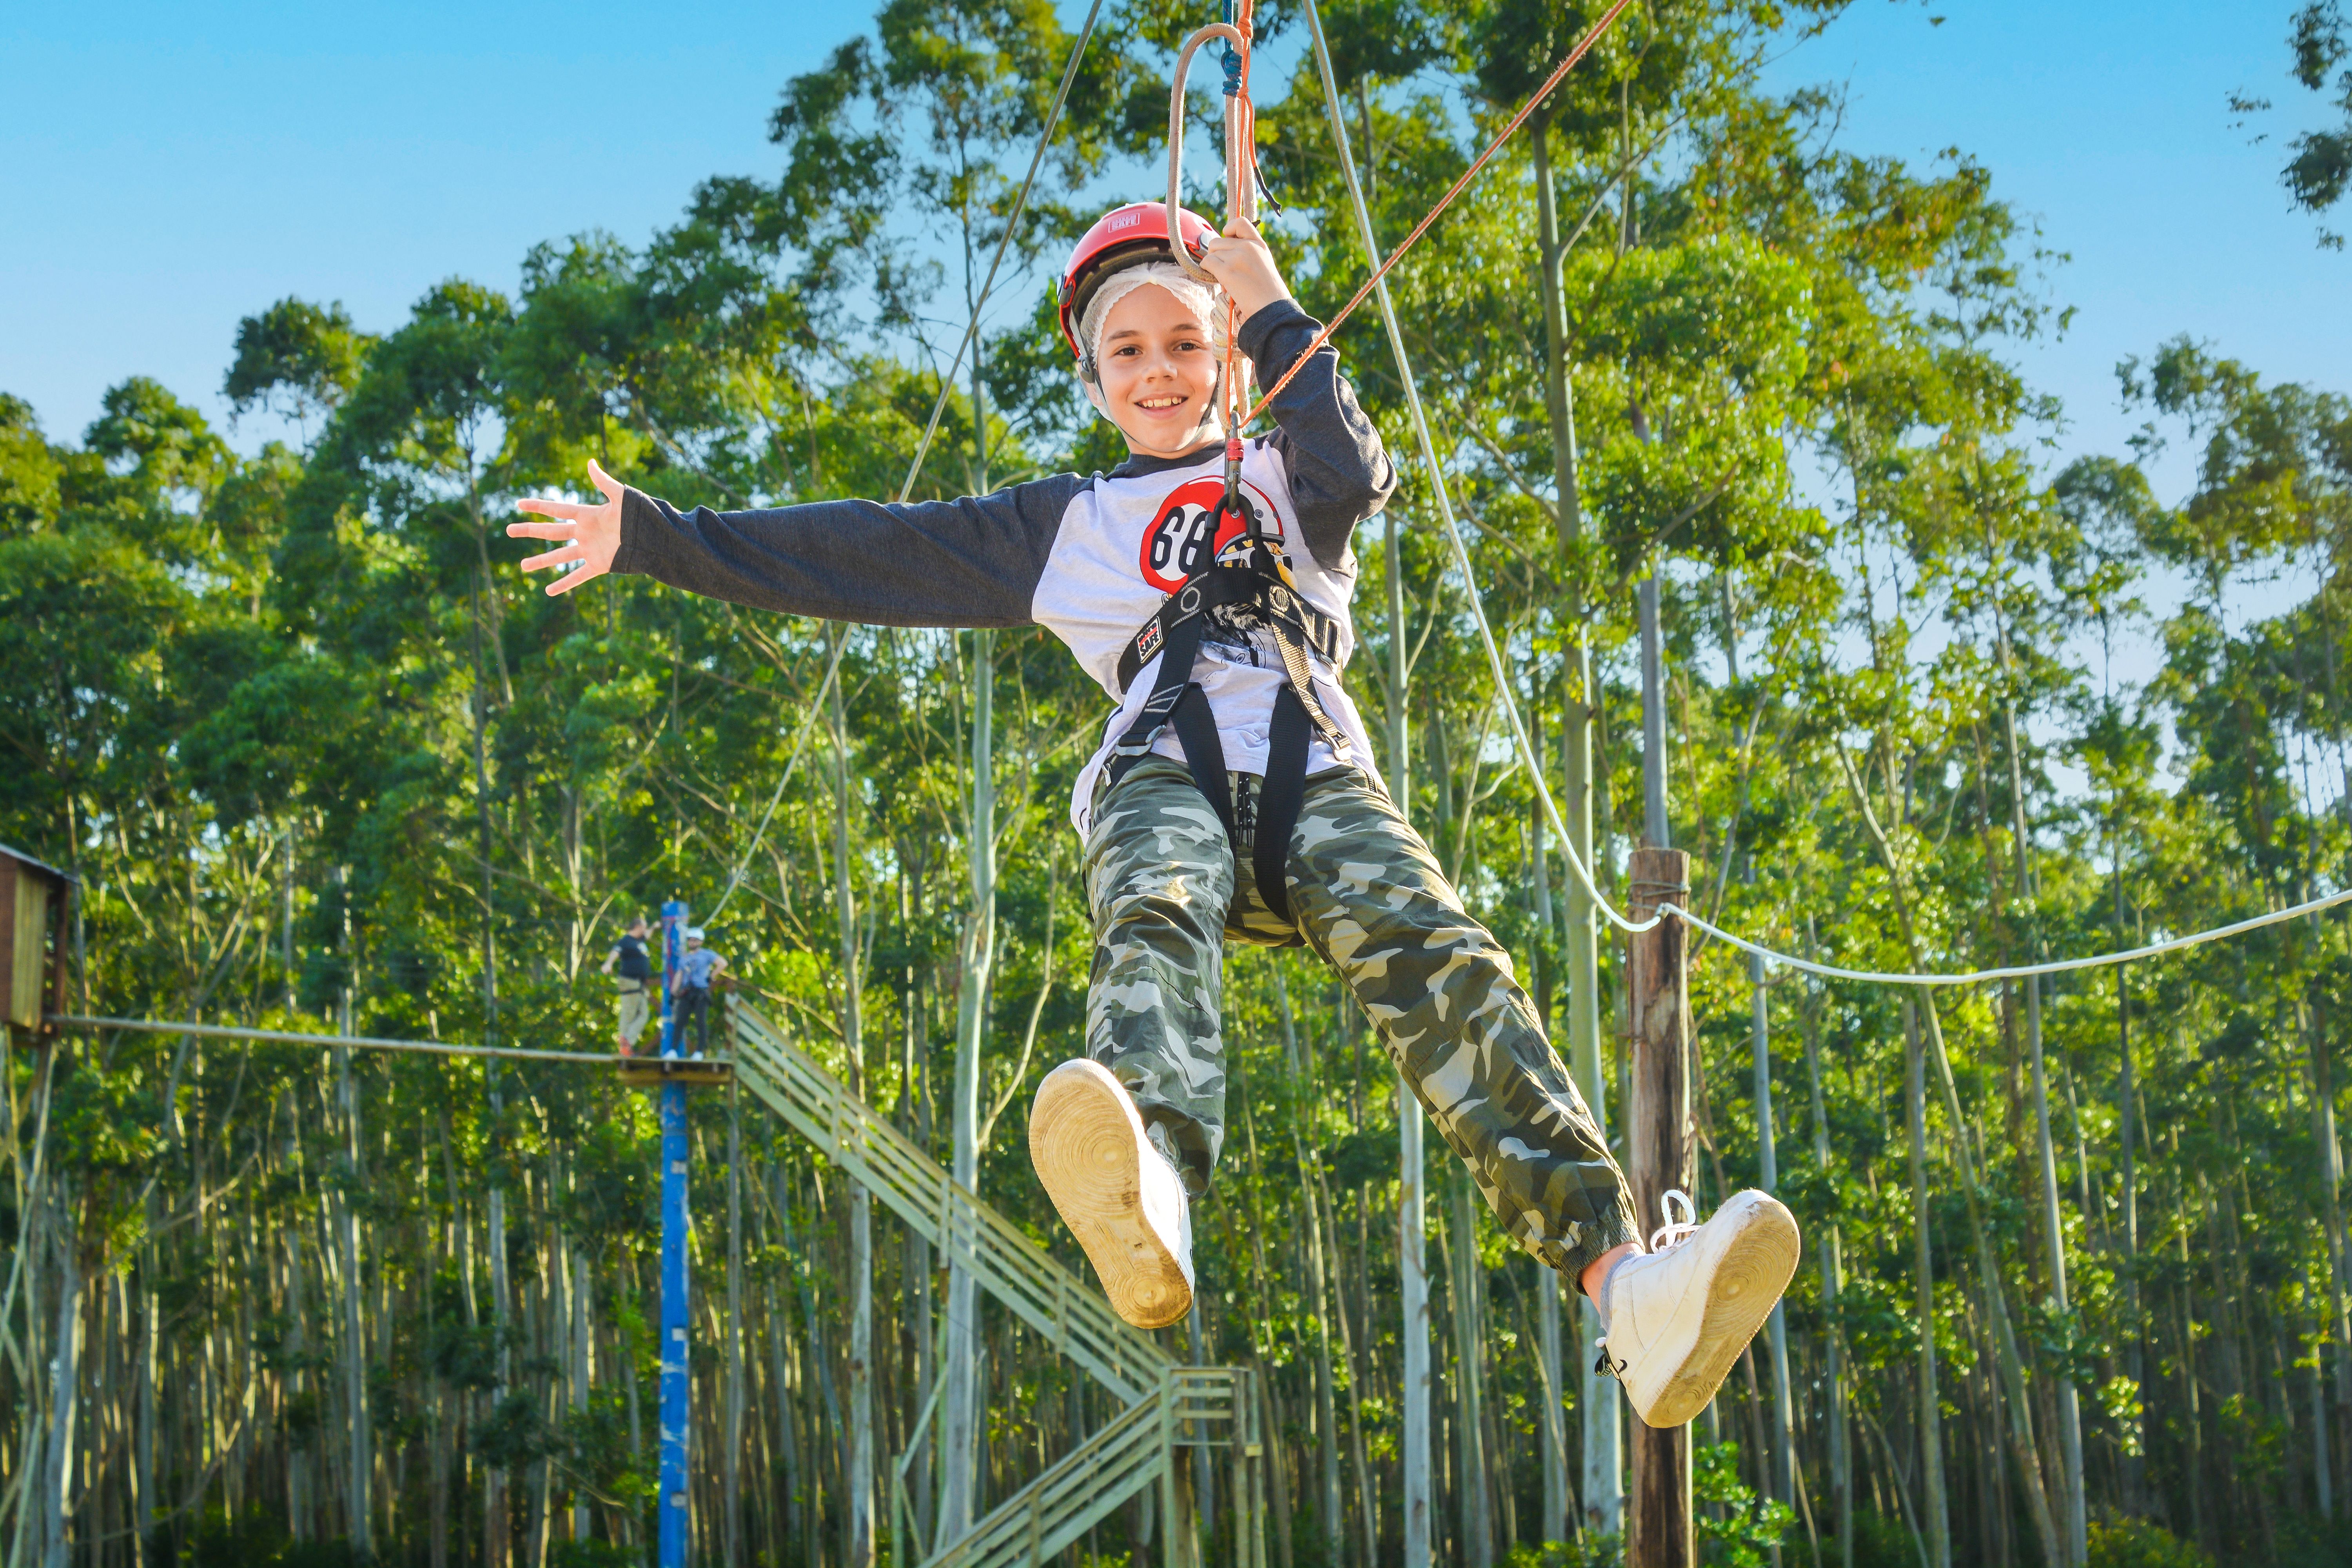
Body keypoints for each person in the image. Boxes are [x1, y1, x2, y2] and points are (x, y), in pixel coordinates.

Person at [509, 203, 1797, 1428]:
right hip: (1162, 775)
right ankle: (1154, 1184)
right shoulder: (1065, 526)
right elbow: (868, 552)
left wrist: (1268, 305)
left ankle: (1626, 1287)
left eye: (1187, 343)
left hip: (1316, 781)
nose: (1160, 370)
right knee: (1158, 902)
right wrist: (656, 538)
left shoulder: (1291, 476)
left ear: (1231, 365)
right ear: (1093, 380)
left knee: (1445, 961)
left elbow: (1358, 462)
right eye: (1127, 350)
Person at [601, 915, 654, 1056]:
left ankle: (628, 1041)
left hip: (640, 984)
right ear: (638, 927)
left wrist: (654, 927)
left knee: (644, 1015)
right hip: (629, 981)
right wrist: (608, 964)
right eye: (644, 927)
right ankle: (624, 1047)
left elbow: (648, 935)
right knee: (629, 1014)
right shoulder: (626, 941)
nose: (646, 930)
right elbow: (615, 952)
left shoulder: (639, 941)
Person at [671, 927, 726, 1056]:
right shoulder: (684, 958)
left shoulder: (707, 954)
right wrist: (674, 992)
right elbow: (679, 975)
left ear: (701, 942)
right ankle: (673, 1050)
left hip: (701, 992)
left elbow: (722, 963)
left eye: (695, 940)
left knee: (701, 1022)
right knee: (680, 1021)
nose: (692, 942)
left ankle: (699, 1052)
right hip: (687, 992)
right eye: (690, 940)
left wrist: (712, 976)